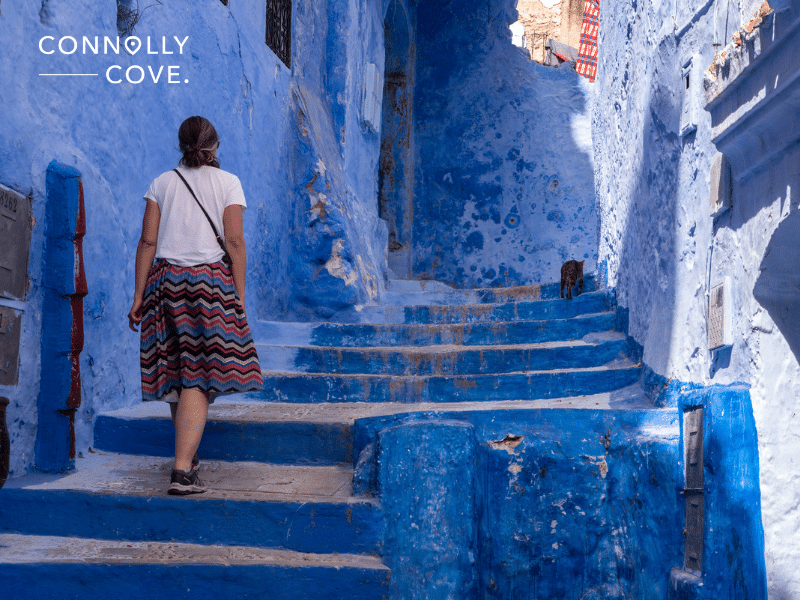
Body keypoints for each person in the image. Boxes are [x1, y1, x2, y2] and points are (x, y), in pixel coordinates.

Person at [127, 116, 263, 495]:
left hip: (164, 282)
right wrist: (238, 296)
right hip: (210, 284)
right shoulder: (228, 182)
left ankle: (187, 454)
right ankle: (183, 470)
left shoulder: (161, 182)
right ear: (214, 146)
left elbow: (147, 243)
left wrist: (138, 295)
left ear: (181, 144)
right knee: (200, 376)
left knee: (176, 371)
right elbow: (234, 242)